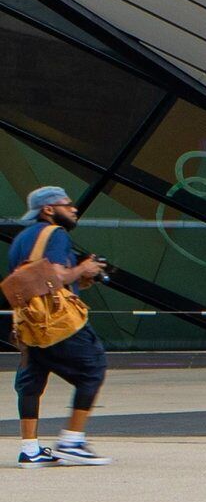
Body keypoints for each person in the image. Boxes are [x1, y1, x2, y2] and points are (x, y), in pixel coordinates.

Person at [9, 185, 114, 466]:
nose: (73, 208)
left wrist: (80, 279)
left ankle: (30, 449)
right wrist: (84, 269)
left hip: (28, 322)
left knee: (31, 382)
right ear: (48, 209)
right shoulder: (54, 234)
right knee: (93, 369)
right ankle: (72, 440)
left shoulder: (22, 239)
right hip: (57, 323)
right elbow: (55, 276)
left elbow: (37, 278)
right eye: (67, 204)